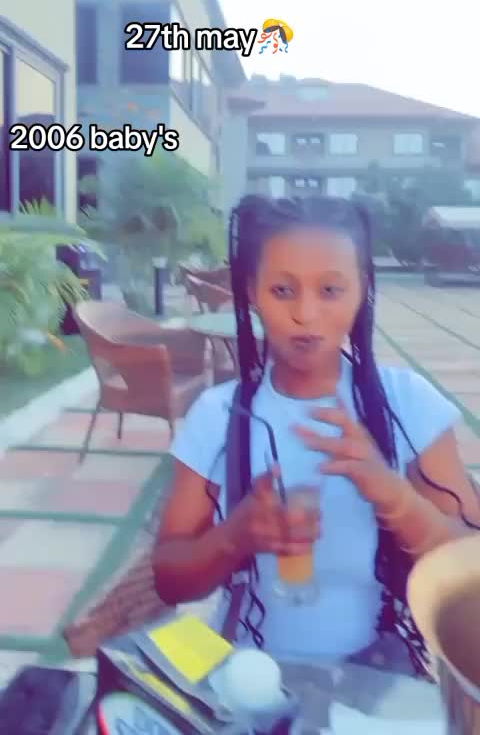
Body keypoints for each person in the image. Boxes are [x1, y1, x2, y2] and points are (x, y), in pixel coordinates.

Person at [153, 194, 480, 677]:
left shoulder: (408, 404)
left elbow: (470, 577)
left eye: (330, 290)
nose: (305, 314)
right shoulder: (218, 415)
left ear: (362, 288)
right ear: (252, 291)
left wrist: (393, 497)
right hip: (251, 675)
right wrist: (234, 536)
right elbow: (169, 580)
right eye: (282, 290)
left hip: (378, 676)